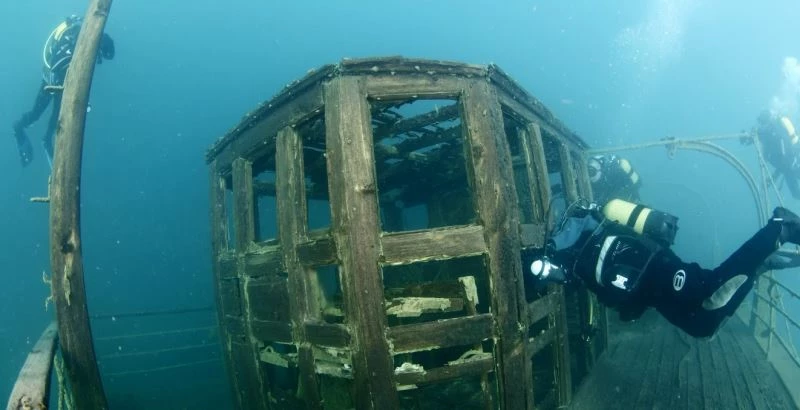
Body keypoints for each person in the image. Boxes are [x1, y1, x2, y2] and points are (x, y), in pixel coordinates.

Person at [522, 198, 800, 338]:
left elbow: (556, 259)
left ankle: (779, 228)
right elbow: (579, 280)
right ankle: (757, 266)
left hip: (653, 267)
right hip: (649, 291)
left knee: (709, 290)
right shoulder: (572, 252)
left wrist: (545, 257)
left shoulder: (573, 229)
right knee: (702, 327)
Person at [12, 15, 115, 168]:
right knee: (48, 116)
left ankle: (44, 138)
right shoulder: (77, 42)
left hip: (55, 82)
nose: (97, 60)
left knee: (47, 116)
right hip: (54, 82)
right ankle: (34, 135)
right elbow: (58, 65)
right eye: (99, 57)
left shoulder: (79, 40)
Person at [754, 111, 800, 199]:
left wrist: (773, 178)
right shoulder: (769, 135)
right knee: (796, 194)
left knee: (796, 193)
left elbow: (785, 160)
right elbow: (758, 135)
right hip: (788, 167)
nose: (762, 126)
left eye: (763, 123)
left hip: (793, 162)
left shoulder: (777, 132)